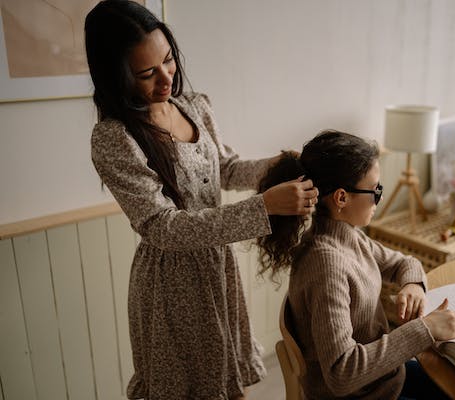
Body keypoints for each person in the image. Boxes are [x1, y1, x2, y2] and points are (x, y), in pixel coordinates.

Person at [84, 1, 318, 399]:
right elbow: (163, 227)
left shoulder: (193, 107)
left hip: (216, 266)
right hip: (171, 282)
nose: (166, 79)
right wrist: (264, 207)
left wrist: (281, 164)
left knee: (227, 384)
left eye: (169, 60)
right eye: (146, 74)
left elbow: (225, 168)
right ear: (115, 77)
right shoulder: (115, 139)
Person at [257, 130, 455, 400]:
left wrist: (413, 285)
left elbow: (404, 262)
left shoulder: (347, 235)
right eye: (375, 190)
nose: (379, 198)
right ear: (341, 198)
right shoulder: (327, 266)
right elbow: (342, 372)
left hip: (382, 378)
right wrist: (425, 329)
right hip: (364, 393)